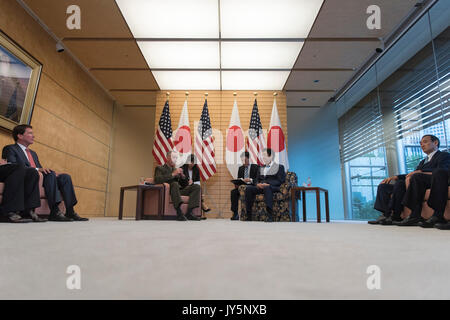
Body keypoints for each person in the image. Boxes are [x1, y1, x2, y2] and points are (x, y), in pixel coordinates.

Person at [2, 125, 88, 222]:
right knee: (49, 174)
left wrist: (49, 172)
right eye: (30, 133)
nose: (33, 136)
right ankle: (55, 211)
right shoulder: (10, 148)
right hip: (28, 177)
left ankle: (70, 211)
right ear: (20, 136)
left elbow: (41, 169)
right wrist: (38, 169)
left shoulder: (33, 153)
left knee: (65, 177)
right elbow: (12, 166)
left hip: (39, 177)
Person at [369, 135, 450, 226]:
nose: (422, 145)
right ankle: (388, 215)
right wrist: (397, 177)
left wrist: (421, 171)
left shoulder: (444, 155)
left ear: (435, 143)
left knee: (416, 177)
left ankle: (415, 214)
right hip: (419, 180)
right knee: (386, 186)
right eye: (421, 143)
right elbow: (414, 173)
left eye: (425, 142)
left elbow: (443, 170)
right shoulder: (423, 162)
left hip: (434, 180)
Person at [154, 151, 201, 221]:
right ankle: (179, 213)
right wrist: (173, 174)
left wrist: (183, 177)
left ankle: (189, 213)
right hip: (170, 191)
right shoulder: (160, 168)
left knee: (196, 187)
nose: (175, 159)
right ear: (167, 158)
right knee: (174, 184)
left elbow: (183, 184)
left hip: (179, 190)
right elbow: (157, 180)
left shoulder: (176, 169)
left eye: (176, 158)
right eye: (173, 157)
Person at [244, 148, 286, 222]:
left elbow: (280, 180)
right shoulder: (261, 167)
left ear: (271, 156)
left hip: (272, 187)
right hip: (261, 187)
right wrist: (257, 184)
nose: (263, 157)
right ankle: (249, 215)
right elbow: (257, 179)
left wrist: (268, 184)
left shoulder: (280, 167)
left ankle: (269, 215)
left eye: (264, 155)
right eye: (262, 156)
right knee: (248, 188)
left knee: (267, 188)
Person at [230, 151, 259, 220]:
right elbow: (239, 179)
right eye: (242, 160)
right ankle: (235, 213)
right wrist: (237, 183)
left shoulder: (255, 167)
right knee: (233, 192)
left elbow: (258, 179)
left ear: (249, 159)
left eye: (245, 160)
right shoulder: (241, 168)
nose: (244, 162)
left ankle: (248, 214)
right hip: (242, 187)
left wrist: (250, 180)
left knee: (248, 189)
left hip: (251, 186)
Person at [181, 154, 210, 219]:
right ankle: (202, 205)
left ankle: (193, 213)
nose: (192, 164)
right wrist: (187, 183)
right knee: (197, 188)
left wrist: (192, 183)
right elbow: (180, 182)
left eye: (193, 162)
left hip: (193, 189)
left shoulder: (196, 170)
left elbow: (198, 182)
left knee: (198, 187)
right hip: (184, 189)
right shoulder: (182, 168)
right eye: (191, 162)